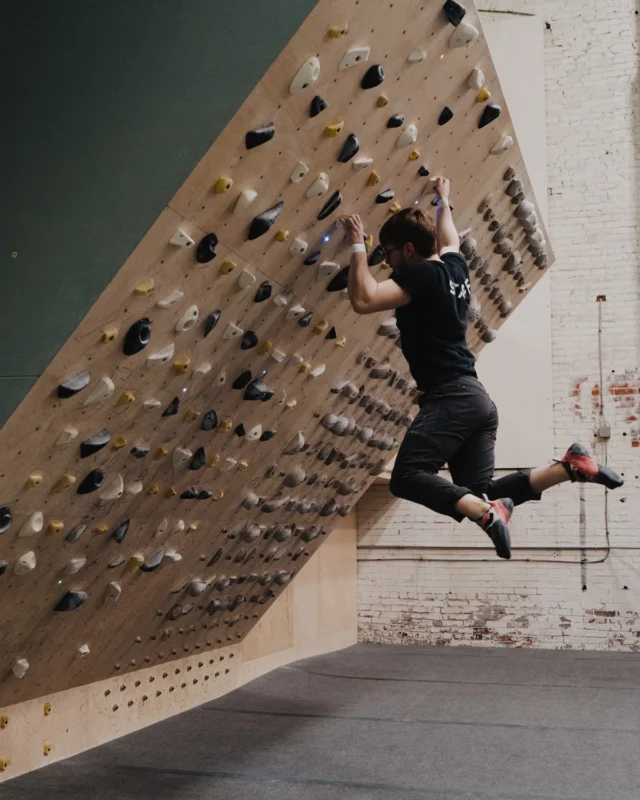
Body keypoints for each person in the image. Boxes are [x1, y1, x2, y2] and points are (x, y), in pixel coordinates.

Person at [338, 177, 623, 559]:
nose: (386, 261)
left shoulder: (421, 274)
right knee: (478, 490)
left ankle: (488, 513)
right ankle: (569, 467)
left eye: (387, 253)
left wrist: (357, 242)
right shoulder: (454, 269)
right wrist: (443, 202)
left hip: (452, 398)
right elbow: (450, 241)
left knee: (406, 478)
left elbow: (364, 297)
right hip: (474, 400)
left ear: (408, 249)